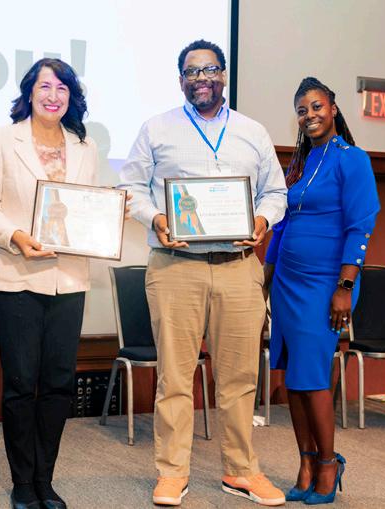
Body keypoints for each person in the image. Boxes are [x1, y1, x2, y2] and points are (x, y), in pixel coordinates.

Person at [118, 39, 287, 507]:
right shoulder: (156, 129)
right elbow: (130, 186)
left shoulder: (252, 131)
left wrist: (262, 220)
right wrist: (156, 217)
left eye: (210, 70)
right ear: (181, 81)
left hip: (238, 269)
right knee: (175, 378)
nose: (202, 79)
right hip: (176, 269)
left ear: (224, 76)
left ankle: (241, 471)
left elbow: (275, 192)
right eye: (192, 72)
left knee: (239, 378)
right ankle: (172, 473)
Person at [0, 58, 98, 509]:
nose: (53, 95)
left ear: (71, 96)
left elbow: (88, 206)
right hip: (16, 278)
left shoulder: (85, 145)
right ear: (29, 92)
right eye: (45, 86)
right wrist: (15, 237)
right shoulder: (3, 139)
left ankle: (45, 479)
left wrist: (108, 216)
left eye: (62, 88)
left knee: (59, 384)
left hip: (70, 280)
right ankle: (22, 483)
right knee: (21, 383)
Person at [264, 77, 379, 505]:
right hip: (286, 282)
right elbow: (281, 225)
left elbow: (360, 225)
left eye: (316, 107)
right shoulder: (300, 162)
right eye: (302, 110)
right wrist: (265, 278)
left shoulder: (353, 159)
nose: (309, 115)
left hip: (326, 284)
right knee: (292, 377)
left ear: (332, 108)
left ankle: (330, 463)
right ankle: (307, 460)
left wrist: (345, 286)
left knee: (311, 376)